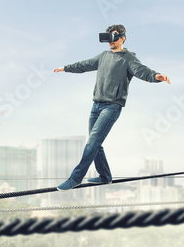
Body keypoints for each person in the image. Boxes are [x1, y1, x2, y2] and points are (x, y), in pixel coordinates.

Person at [55, 24, 171, 191]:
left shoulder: (128, 58)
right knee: (96, 144)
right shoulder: (103, 56)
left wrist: (156, 76)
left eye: (115, 36)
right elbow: (84, 64)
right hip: (96, 105)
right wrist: (66, 68)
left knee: (92, 143)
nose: (111, 40)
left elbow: (142, 71)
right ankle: (105, 176)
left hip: (112, 107)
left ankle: (75, 178)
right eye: (109, 37)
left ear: (123, 38)